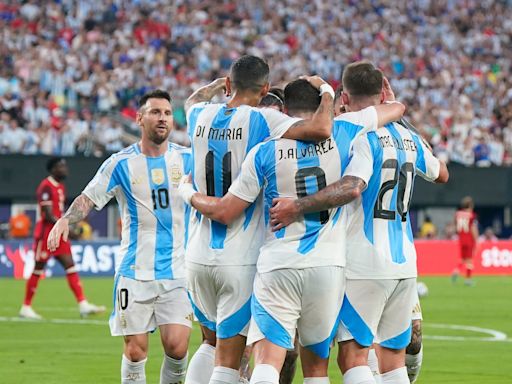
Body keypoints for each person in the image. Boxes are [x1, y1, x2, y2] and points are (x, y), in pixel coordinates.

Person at [180, 72, 405, 384]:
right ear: (321, 107)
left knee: (266, 361)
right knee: (316, 370)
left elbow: (226, 210)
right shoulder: (345, 130)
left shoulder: (264, 149)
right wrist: (329, 88)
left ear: (283, 111)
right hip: (328, 267)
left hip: (277, 266)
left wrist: (187, 192)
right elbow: (395, 109)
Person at [269, 61, 449, 384]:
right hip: (405, 265)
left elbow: (353, 186)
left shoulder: (359, 137)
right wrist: (399, 113)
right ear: (383, 93)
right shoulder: (409, 138)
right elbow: (443, 173)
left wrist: (297, 206)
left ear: (346, 98)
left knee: (352, 356)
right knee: (393, 360)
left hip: (365, 262)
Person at [183, 55, 336, 384]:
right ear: (266, 89)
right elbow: (321, 129)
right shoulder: (265, 119)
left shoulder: (198, 114)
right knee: (229, 358)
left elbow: (192, 99)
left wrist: (215, 88)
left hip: (196, 253)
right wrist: (326, 91)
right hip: (238, 257)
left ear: (227, 85)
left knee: (209, 343)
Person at [47, 90, 193, 384]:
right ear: (140, 119)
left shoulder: (188, 159)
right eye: (155, 112)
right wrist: (65, 219)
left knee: (177, 348)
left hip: (178, 270)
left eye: (166, 113)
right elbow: (88, 198)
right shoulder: (120, 163)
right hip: (133, 273)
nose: (162, 118)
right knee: (136, 351)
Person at [19, 157, 105, 320]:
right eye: (61, 167)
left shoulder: (60, 187)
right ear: (52, 169)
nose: (64, 169)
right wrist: (68, 229)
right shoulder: (46, 186)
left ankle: (83, 304)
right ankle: (26, 306)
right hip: (46, 234)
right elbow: (48, 214)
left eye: (65, 166)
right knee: (39, 267)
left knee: (70, 265)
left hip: (59, 234)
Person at [452, 196, 479, 286]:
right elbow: (473, 228)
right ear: (470, 205)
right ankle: (468, 280)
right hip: (469, 239)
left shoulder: (458, 214)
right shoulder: (471, 215)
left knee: (463, 259)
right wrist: (476, 240)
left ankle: (456, 271)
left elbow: (456, 227)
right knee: (469, 260)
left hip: (461, 239)